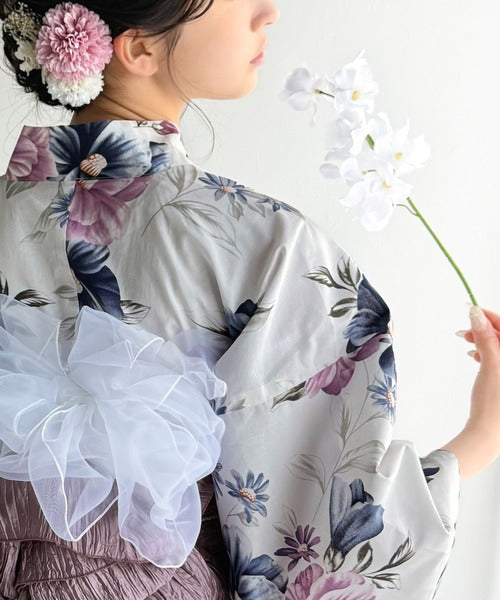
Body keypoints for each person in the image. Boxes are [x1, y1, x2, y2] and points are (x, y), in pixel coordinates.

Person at [0, 1, 498, 599]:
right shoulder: (266, 246)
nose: (268, 12)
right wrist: (483, 433)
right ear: (139, 48)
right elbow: (322, 555)